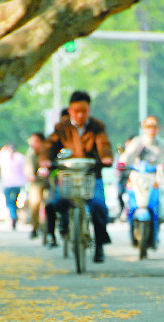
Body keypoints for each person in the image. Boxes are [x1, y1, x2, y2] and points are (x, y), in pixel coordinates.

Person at [44, 90, 113, 262]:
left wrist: (105, 157)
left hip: (91, 174)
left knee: (99, 206)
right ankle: (66, 223)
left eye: (84, 110)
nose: (80, 115)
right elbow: (49, 146)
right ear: (70, 110)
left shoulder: (97, 127)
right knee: (57, 201)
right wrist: (45, 160)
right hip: (68, 174)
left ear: (89, 109)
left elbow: (103, 144)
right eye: (76, 111)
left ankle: (99, 246)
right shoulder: (61, 128)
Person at [119, 115, 164, 245]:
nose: (151, 129)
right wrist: (122, 163)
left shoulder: (162, 143)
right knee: (127, 194)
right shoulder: (137, 142)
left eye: (154, 126)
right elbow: (127, 155)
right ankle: (126, 212)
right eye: (148, 126)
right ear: (143, 127)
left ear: (159, 128)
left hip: (156, 177)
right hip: (137, 177)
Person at [0, 144, 27, 229]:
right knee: (13, 201)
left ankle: (13, 215)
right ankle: (14, 214)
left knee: (10, 202)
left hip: (9, 183)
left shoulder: (4, 157)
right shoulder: (20, 157)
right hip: (16, 183)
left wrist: (2, 150)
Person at [25, 132, 49, 238]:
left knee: (50, 203)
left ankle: (50, 229)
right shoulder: (31, 153)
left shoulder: (49, 150)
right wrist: (30, 174)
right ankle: (35, 227)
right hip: (36, 182)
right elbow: (28, 166)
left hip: (50, 180)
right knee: (34, 203)